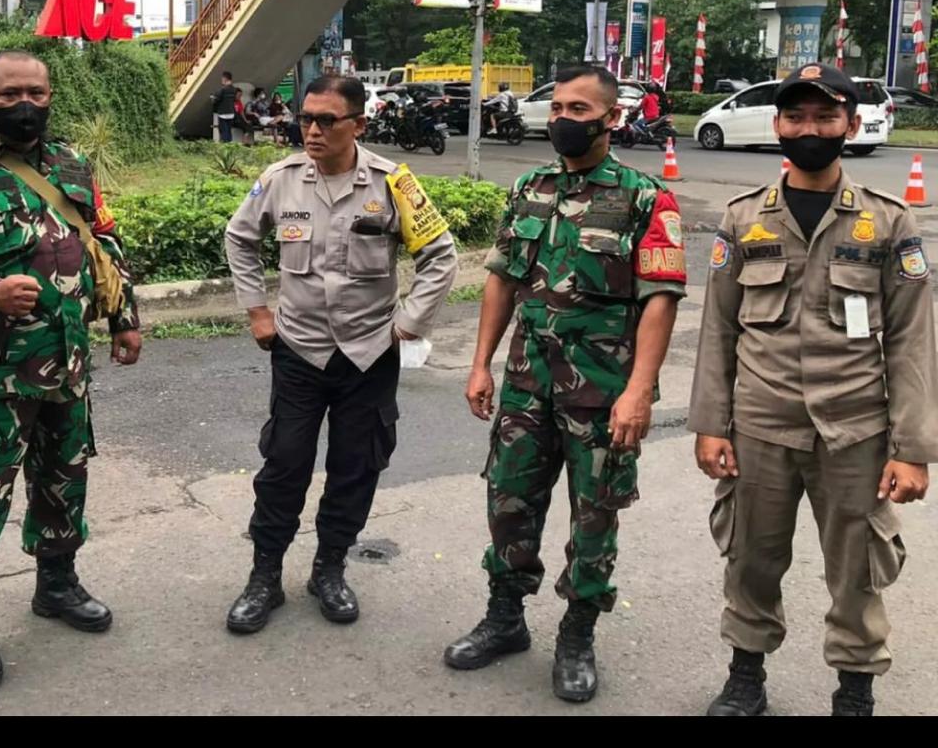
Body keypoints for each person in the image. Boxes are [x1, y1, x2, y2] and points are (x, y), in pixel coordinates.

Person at [688, 63, 937, 717]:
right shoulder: (743, 220)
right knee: (750, 557)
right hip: (760, 425)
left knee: (857, 570)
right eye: (796, 117)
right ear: (777, 125)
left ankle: (855, 689)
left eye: (826, 117)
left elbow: (913, 339)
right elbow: (716, 328)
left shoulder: (888, 222)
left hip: (855, 431)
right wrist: (710, 423)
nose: (810, 129)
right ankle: (746, 676)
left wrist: (913, 447)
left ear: (851, 125)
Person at [444, 65, 687, 702]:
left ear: (611, 118)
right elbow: (502, 277)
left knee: (595, 516)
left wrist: (639, 390)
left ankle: (578, 632)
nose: (562, 118)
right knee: (509, 501)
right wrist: (481, 363)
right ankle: (505, 618)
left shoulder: (644, 197)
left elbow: (660, 298)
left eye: (579, 108)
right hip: (527, 384)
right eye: (556, 106)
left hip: (604, 394)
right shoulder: (531, 185)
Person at [0, 50, 143, 690]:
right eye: (11, 92)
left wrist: (123, 315)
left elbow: (104, 244)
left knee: (62, 480)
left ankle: (57, 584)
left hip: (67, 365)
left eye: (36, 92)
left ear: (50, 96)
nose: (25, 104)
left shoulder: (71, 163)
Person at [223, 74, 458, 635]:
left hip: (368, 356)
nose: (312, 129)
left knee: (356, 467)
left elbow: (440, 255)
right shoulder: (279, 180)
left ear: (358, 125)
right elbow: (239, 237)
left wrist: (407, 324)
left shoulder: (393, 182)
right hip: (299, 350)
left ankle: (330, 569)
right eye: (306, 117)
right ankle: (264, 576)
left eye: (327, 120)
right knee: (284, 465)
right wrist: (257, 310)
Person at [211, 71, 240, 143]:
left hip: (223, 113)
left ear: (225, 79)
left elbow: (216, 99)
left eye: (222, 78)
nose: (221, 80)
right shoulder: (234, 89)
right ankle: (229, 145)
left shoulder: (223, 90)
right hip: (231, 113)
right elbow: (234, 100)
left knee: (223, 131)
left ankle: (224, 145)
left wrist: (213, 98)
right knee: (229, 130)